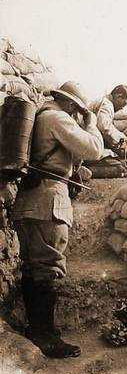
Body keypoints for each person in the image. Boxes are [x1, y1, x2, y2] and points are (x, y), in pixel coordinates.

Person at [11, 81, 104, 358]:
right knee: (46, 268)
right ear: (73, 106)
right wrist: (92, 123)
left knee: (34, 266)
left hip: (30, 201)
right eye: (79, 111)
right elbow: (94, 149)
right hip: (48, 203)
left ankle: (37, 329)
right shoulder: (58, 117)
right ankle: (46, 337)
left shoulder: (41, 116)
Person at [89, 84, 127, 156]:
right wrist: (121, 138)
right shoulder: (107, 105)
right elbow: (104, 126)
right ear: (118, 96)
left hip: (88, 139)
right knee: (117, 165)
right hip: (89, 142)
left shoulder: (104, 101)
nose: (122, 108)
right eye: (123, 104)